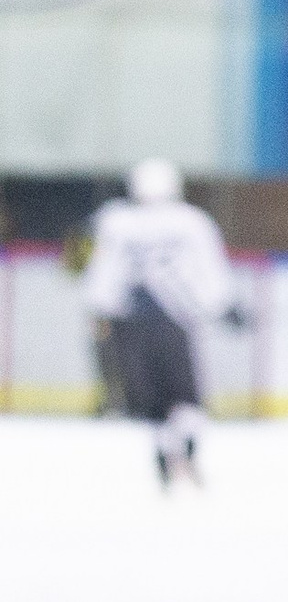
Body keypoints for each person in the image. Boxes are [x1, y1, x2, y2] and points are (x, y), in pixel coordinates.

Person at [82, 159, 239, 486]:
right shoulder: (192, 221)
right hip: (176, 323)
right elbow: (209, 269)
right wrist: (224, 306)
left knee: (150, 399)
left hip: (128, 324)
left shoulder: (115, 220)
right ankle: (187, 447)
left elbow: (103, 275)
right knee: (185, 395)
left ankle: (165, 450)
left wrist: (99, 312)